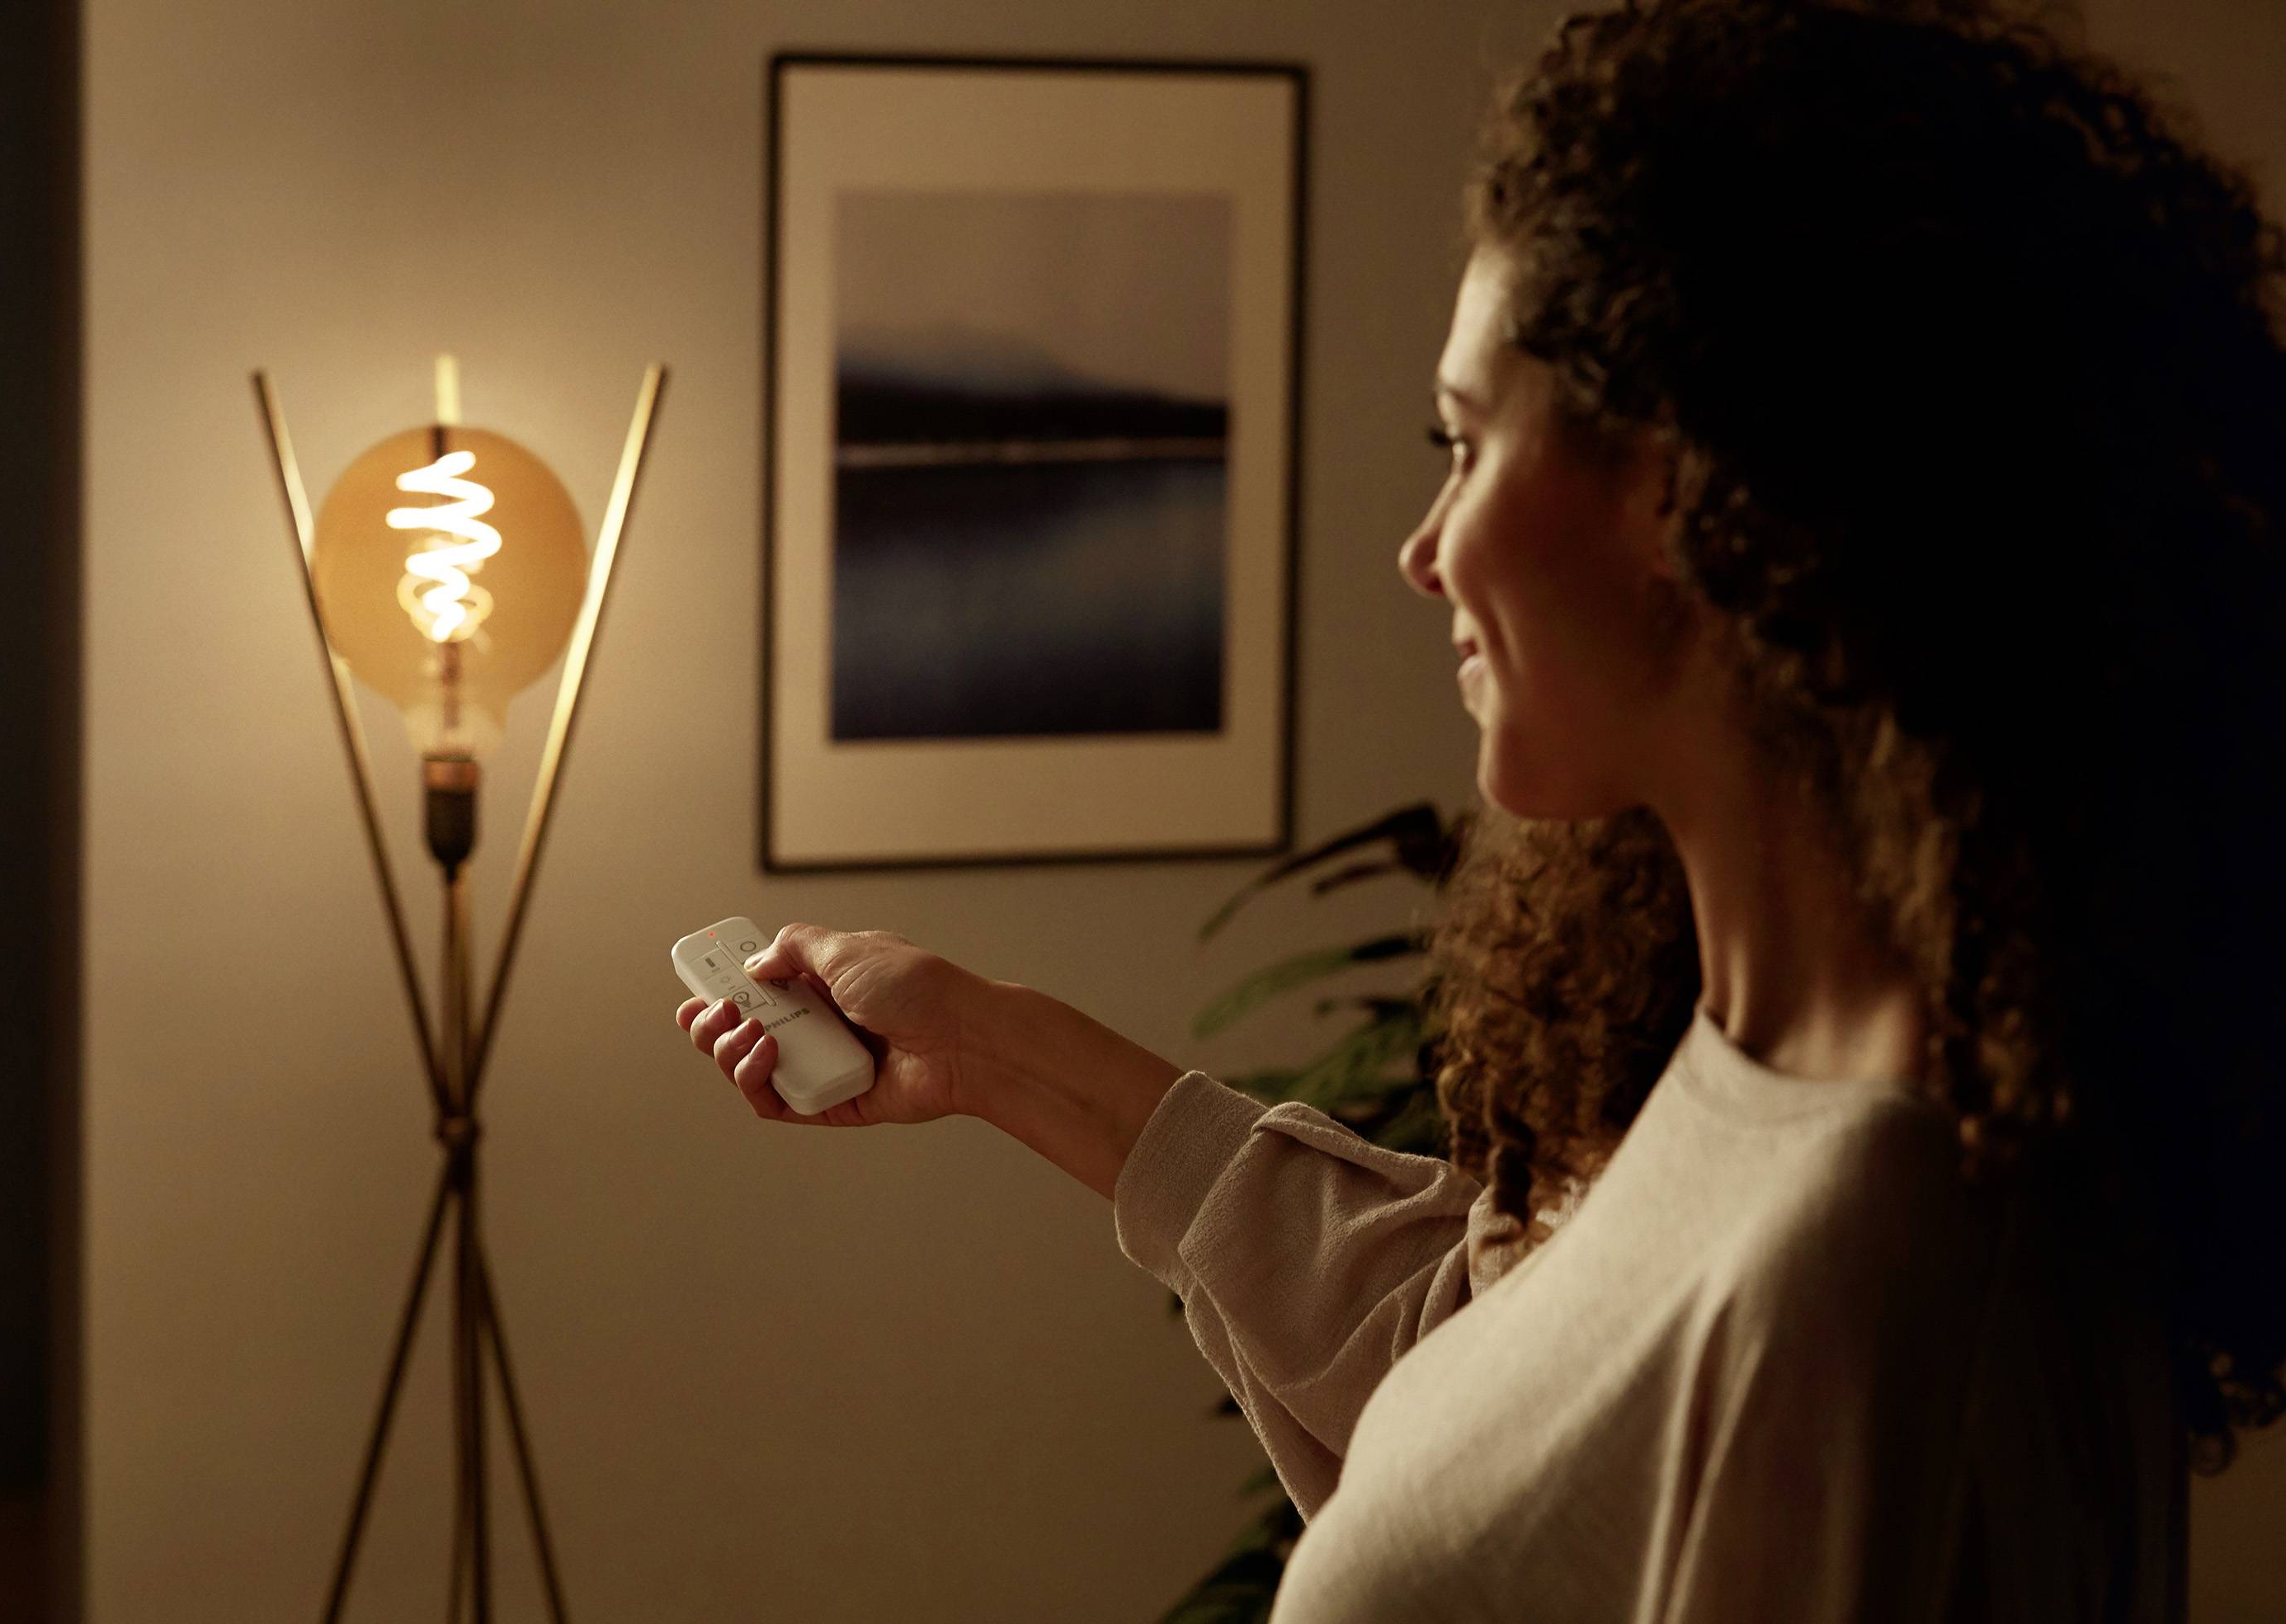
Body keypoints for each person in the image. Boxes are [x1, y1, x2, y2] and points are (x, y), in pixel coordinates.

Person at [676, 0, 2286, 1615]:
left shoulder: (1878, 1265)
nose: (1423, 546)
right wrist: (986, 1043)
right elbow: (1495, 1396)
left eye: (1462, 442)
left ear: (1685, 486)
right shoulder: (1742, 1076)